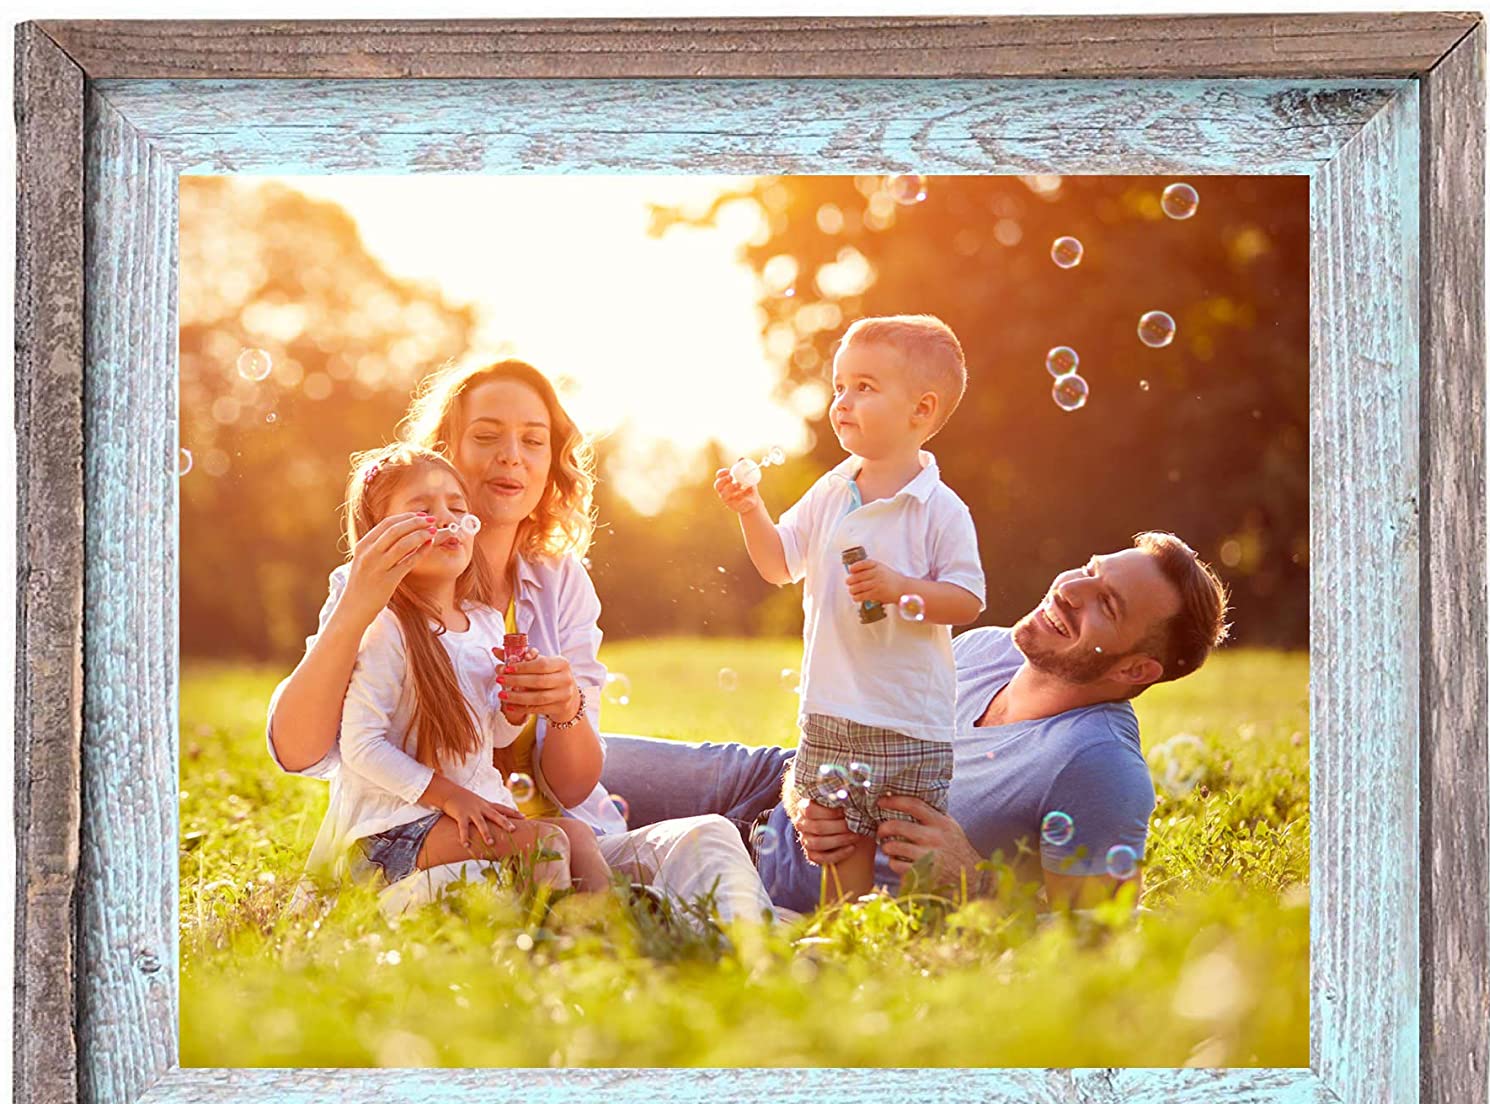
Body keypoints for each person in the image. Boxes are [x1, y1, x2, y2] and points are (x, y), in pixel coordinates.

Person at [269, 356, 773, 923]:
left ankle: (758, 965)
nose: (512, 455)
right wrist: (356, 609)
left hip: (549, 831)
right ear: (444, 453)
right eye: (487, 436)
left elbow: (573, 781)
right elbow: (298, 751)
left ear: (550, 465)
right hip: (436, 847)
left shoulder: (559, 581)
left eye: (534, 441)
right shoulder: (378, 583)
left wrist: (564, 708)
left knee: (707, 838)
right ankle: (640, 937)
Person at [600, 532, 1231, 913]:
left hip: (800, 882)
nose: (1071, 590)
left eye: (1107, 604)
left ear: (1135, 670)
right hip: (768, 781)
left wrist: (975, 883)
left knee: (572, 862)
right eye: (1091, 570)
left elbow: (1097, 947)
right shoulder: (986, 649)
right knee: (558, 756)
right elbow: (847, 731)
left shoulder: (1099, 768)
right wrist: (799, 792)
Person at [713, 315, 984, 900]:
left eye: (865, 386)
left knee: (913, 851)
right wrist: (750, 510)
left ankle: (923, 943)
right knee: (838, 841)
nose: (843, 400)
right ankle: (847, 942)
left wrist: (898, 588)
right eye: (839, 386)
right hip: (832, 707)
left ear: (922, 411)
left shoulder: (938, 508)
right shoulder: (832, 491)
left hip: (908, 719)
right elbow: (780, 563)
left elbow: (966, 600)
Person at [298, 443, 612, 903]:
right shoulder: (386, 627)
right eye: (423, 509)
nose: (447, 519)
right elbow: (361, 746)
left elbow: (498, 739)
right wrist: (450, 796)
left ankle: (611, 935)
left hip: (462, 813)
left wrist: (514, 707)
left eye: (457, 507)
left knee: (578, 837)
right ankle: (551, 946)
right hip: (392, 829)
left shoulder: (484, 621)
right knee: (545, 846)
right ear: (381, 535)